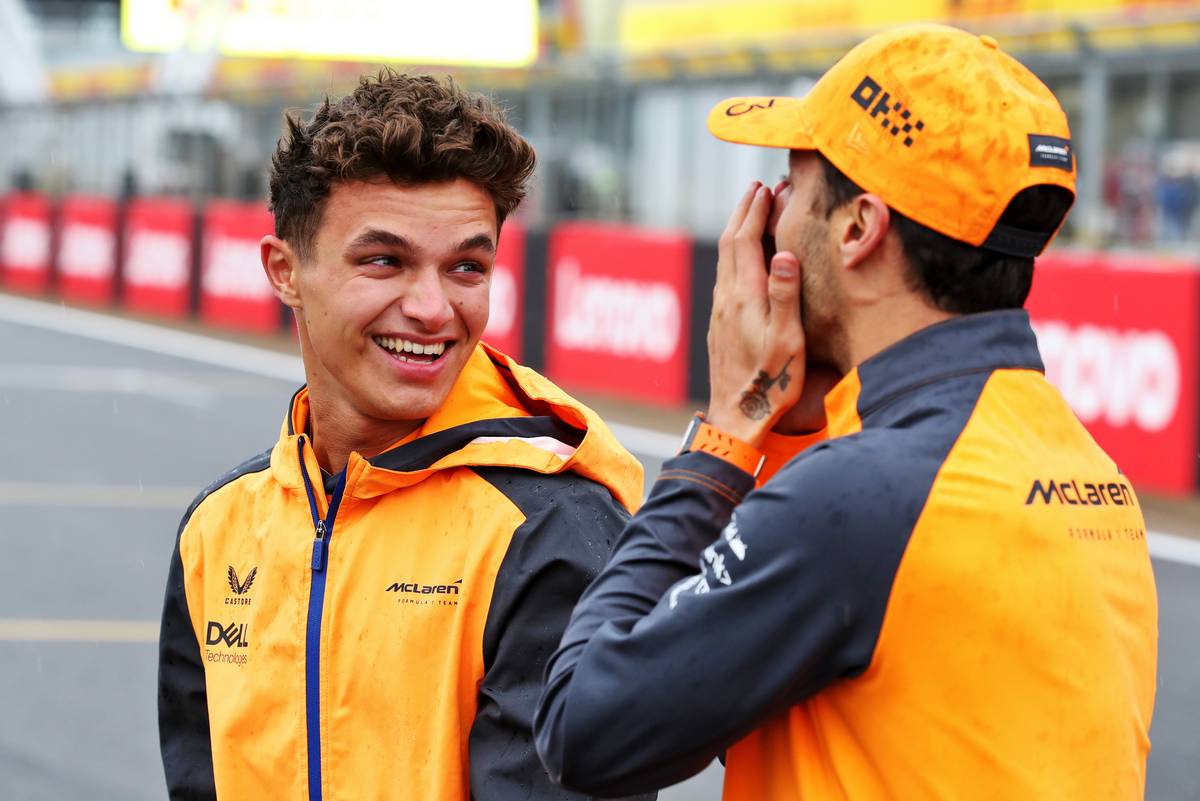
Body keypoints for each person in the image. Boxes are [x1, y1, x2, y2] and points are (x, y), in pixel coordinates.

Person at [534, 24, 1158, 801]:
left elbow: (581, 724)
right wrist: (797, 420)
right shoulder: (1086, 469)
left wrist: (731, 423)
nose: (768, 215)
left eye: (790, 185)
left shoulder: (864, 493)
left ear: (859, 227)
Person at [157, 70, 651, 801]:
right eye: (385, 260)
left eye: (466, 267)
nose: (432, 308)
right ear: (285, 271)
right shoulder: (218, 527)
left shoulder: (551, 532)